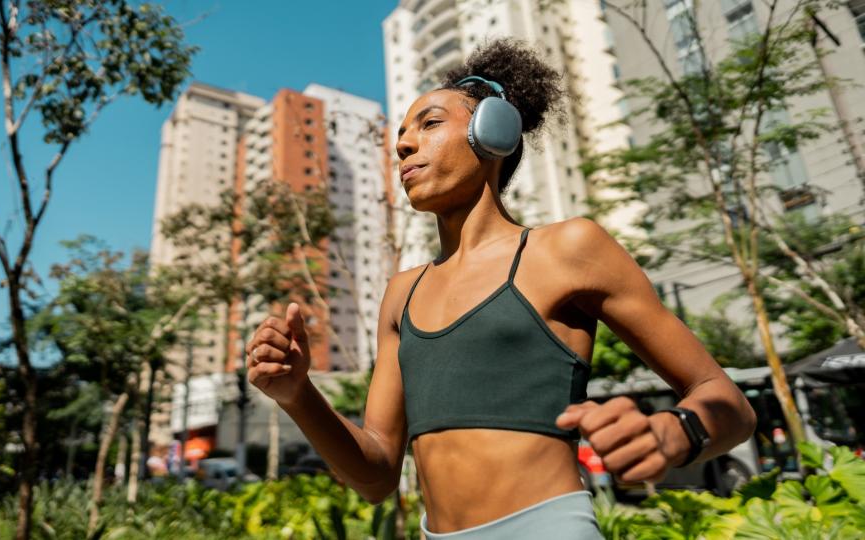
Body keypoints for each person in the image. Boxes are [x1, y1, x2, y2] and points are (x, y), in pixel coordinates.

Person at [244, 39, 757, 538]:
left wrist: (674, 432)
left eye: (430, 124)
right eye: (401, 133)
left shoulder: (568, 249)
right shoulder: (401, 294)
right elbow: (376, 474)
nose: (402, 144)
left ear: (493, 134)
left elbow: (728, 402)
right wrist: (297, 395)